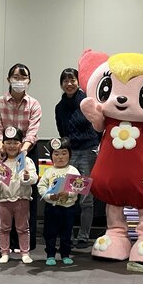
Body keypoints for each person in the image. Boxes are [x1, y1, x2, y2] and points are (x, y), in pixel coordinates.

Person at [0, 63, 42, 252]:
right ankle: (3, 244)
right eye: (15, 77)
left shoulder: (34, 104)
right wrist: (2, 147)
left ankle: (25, 244)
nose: (19, 81)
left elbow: (33, 131)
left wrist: (22, 151)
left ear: (29, 81)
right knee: (3, 194)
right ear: (9, 79)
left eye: (23, 77)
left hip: (26, 152)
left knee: (25, 196)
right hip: (2, 152)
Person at [55, 68, 101, 249]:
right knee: (67, 195)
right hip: (71, 153)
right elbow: (62, 132)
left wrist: (97, 145)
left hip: (89, 152)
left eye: (72, 79)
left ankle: (83, 236)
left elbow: (99, 125)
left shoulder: (87, 102)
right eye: (65, 80)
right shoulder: (59, 107)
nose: (69, 83)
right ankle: (66, 234)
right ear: (61, 84)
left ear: (78, 82)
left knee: (86, 198)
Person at [0, 127, 38, 265]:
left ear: (21, 144)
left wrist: (27, 178)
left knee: (23, 228)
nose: (12, 146)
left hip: (22, 199)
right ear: (3, 144)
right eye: (8, 142)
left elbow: (34, 178)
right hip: (3, 200)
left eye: (15, 142)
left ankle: (25, 253)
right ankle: (4, 252)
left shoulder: (26, 161)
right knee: (4, 228)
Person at [37, 138, 79, 266]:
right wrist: (49, 196)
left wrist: (69, 194)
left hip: (68, 208)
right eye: (56, 154)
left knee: (67, 233)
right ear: (51, 156)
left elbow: (78, 188)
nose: (60, 157)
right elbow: (41, 187)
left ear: (70, 154)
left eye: (64, 153)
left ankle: (65, 254)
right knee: (50, 232)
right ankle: (50, 254)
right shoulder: (48, 171)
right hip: (52, 208)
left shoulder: (73, 171)